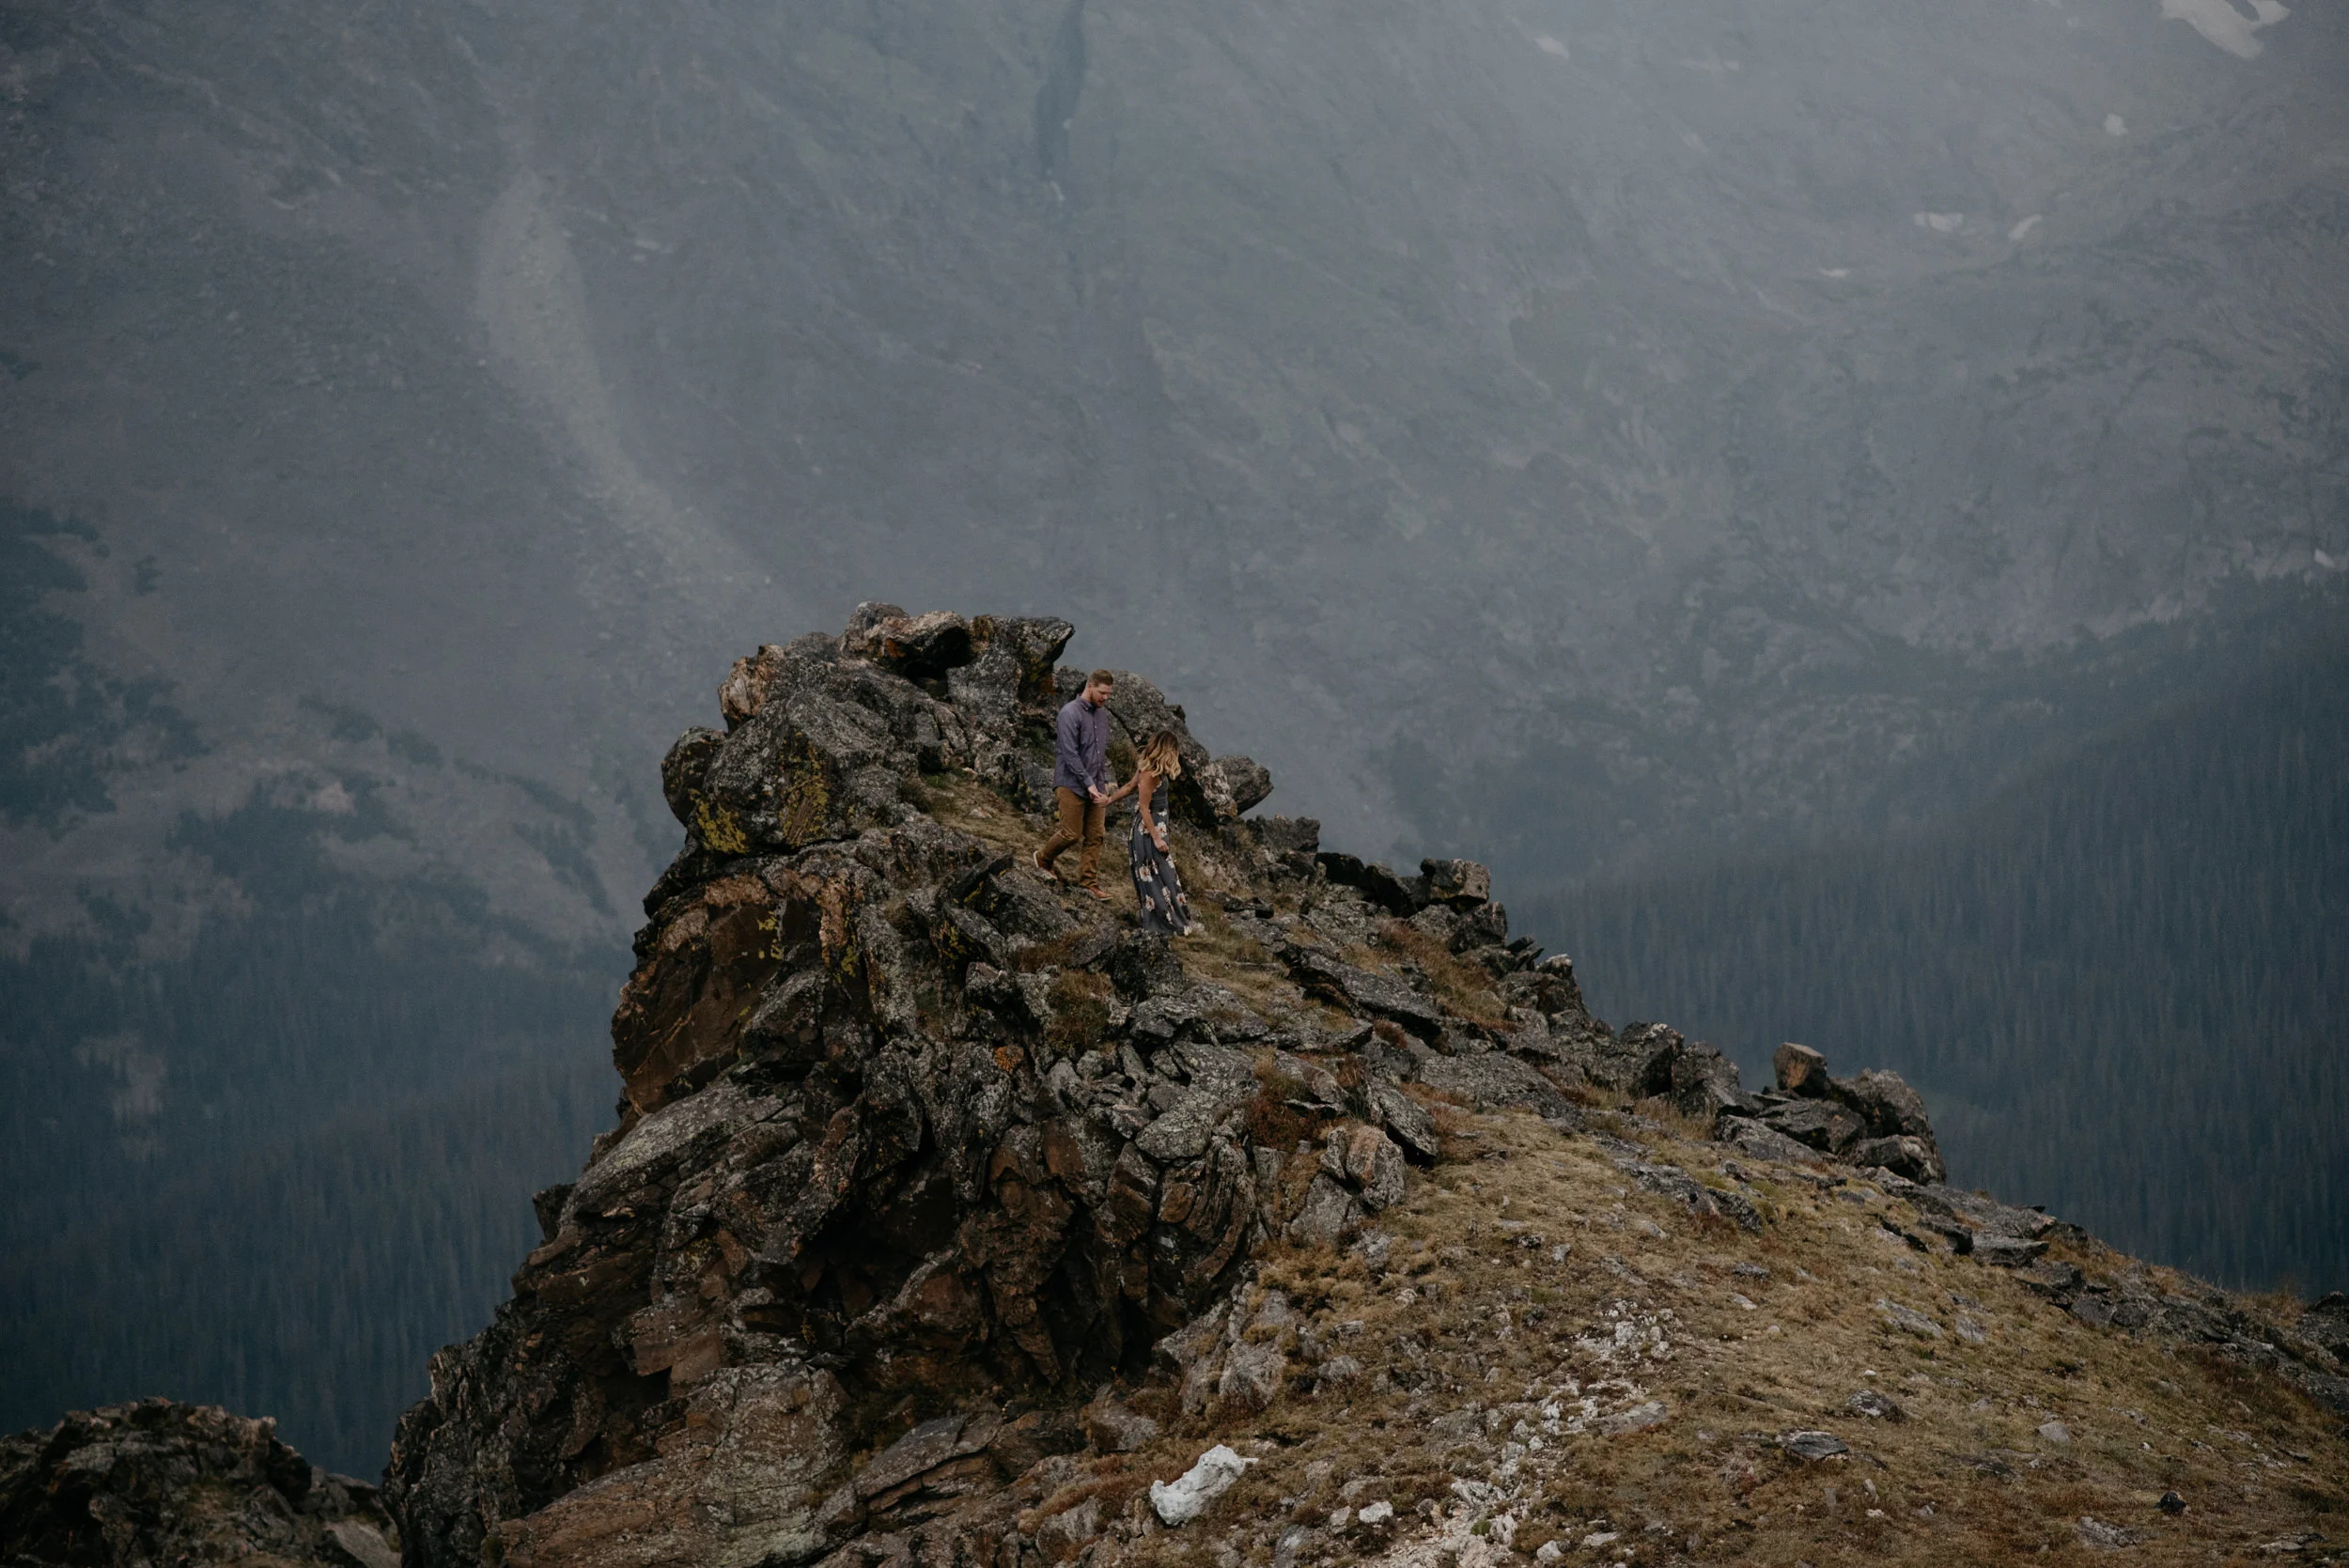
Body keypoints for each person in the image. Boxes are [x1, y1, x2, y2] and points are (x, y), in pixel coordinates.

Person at [1034, 669, 1115, 898]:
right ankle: (1043, 858)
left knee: (1096, 835)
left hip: (1096, 784)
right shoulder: (1069, 713)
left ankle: (1088, 884)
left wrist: (1102, 783)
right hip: (1071, 783)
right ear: (1090, 686)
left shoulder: (1101, 715)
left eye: (1109, 694)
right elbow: (1068, 753)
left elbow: (1099, 753)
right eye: (1102, 693)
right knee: (1071, 833)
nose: (1105, 698)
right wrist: (1087, 783)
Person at [1110, 728, 1195, 937]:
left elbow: (1129, 786)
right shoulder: (1149, 773)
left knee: (1164, 874)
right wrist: (1156, 838)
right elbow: (1144, 808)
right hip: (1149, 831)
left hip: (1157, 827)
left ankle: (1173, 918)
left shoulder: (1153, 769)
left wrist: (1109, 799)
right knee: (1158, 875)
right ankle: (1164, 922)